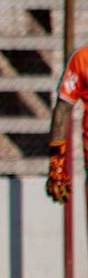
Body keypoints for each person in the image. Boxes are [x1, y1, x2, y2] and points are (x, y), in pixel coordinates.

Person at [47, 47, 88, 205]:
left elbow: (61, 112)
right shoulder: (82, 58)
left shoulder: (83, 58)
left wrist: (56, 165)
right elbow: (62, 112)